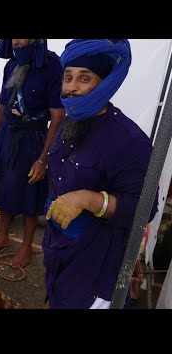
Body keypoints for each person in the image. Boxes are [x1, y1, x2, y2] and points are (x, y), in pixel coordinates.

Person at [43, 39, 159, 309]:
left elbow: (145, 208)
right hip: (59, 247)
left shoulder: (128, 140)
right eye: (68, 78)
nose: (72, 87)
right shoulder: (73, 121)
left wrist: (88, 199)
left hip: (96, 260)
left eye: (84, 79)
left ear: (104, 84)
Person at [0, 39, 65, 268]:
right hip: (7, 137)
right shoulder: (11, 64)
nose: (16, 40)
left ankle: (26, 246)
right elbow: (1, 105)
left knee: (29, 193)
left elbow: (58, 116)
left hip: (33, 140)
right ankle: (3, 236)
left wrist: (43, 159)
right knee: (3, 188)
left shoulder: (52, 67)